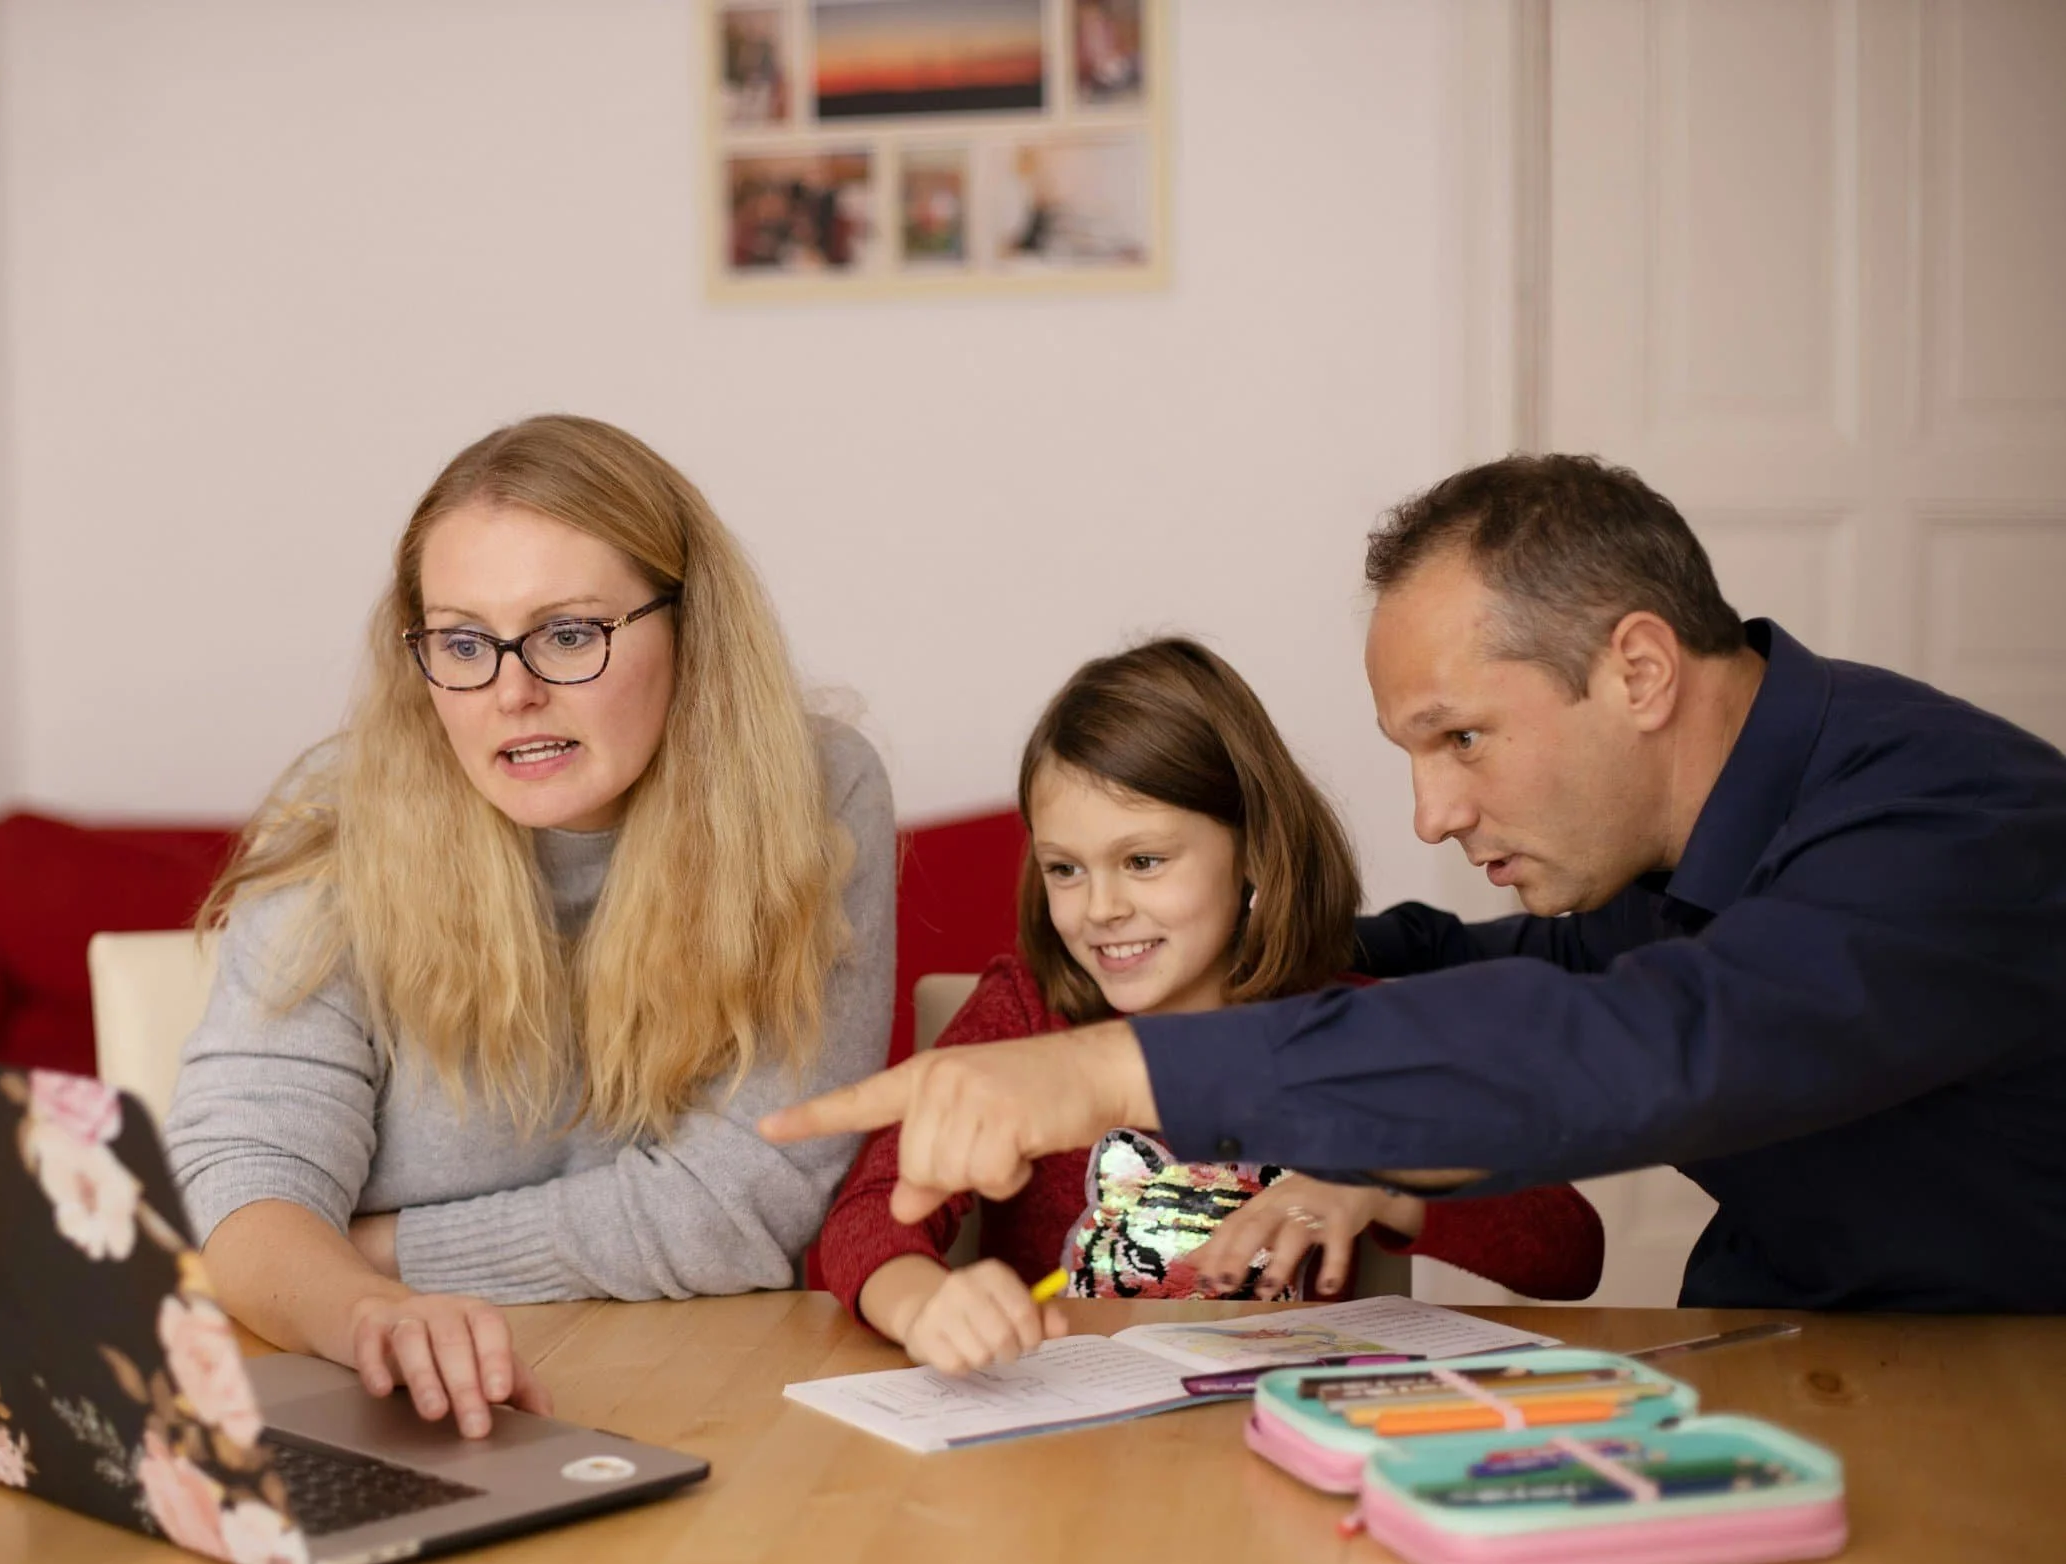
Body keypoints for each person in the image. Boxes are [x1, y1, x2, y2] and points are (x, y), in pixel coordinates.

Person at [767, 454, 2066, 1314]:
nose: (1433, 813)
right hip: (1787, 1353)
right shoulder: (1658, 853)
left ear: (1640, 671)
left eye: (1463, 738)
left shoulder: (1950, 829)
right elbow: (1480, 969)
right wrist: (1236, 956)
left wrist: (1119, 1068)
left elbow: (1648, 1041)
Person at [166, 415, 894, 1436]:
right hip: (382, 1399)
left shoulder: (814, 791)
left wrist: (370, 1247)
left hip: (702, 1400)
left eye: (567, 633)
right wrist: (368, 1307)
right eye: (463, 641)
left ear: (691, 628)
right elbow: (238, 1184)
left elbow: (746, 1207)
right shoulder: (344, 821)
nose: (511, 691)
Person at [815, 639, 1601, 1375]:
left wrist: (1384, 1180)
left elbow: (1569, 1248)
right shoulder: (1023, 1012)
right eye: (1065, 868)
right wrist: (923, 1300)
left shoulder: (1347, 1032)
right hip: (1065, 1456)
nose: (1102, 907)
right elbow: (863, 1219)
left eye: (1143, 860)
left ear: (1253, 849)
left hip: (1280, 1446)